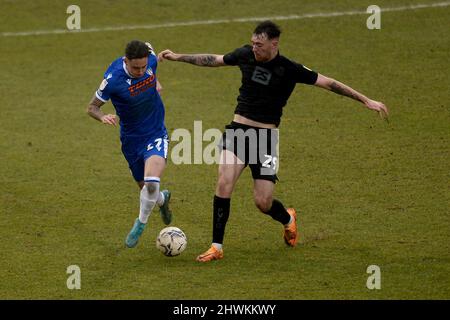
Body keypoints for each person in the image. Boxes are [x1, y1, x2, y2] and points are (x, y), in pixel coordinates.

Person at [158, 20, 389, 262]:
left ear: (274, 43)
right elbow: (213, 59)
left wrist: (366, 100)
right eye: (253, 43)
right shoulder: (245, 55)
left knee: (263, 201)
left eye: (259, 44)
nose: (255, 48)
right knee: (224, 182)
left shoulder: (289, 69)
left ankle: (287, 218)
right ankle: (216, 246)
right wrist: (177, 57)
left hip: (266, 139)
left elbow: (329, 83)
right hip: (237, 132)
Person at [87, 40, 173, 248]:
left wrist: (155, 80)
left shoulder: (150, 60)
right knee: (146, 188)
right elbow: (91, 107)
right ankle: (162, 199)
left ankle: (140, 224)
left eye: (144, 67)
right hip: (131, 139)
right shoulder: (113, 78)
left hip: (155, 132)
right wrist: (102, 117)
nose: (141, 71)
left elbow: (148, 46)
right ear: (126, 61)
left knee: (151, 181)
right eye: (136, 68)